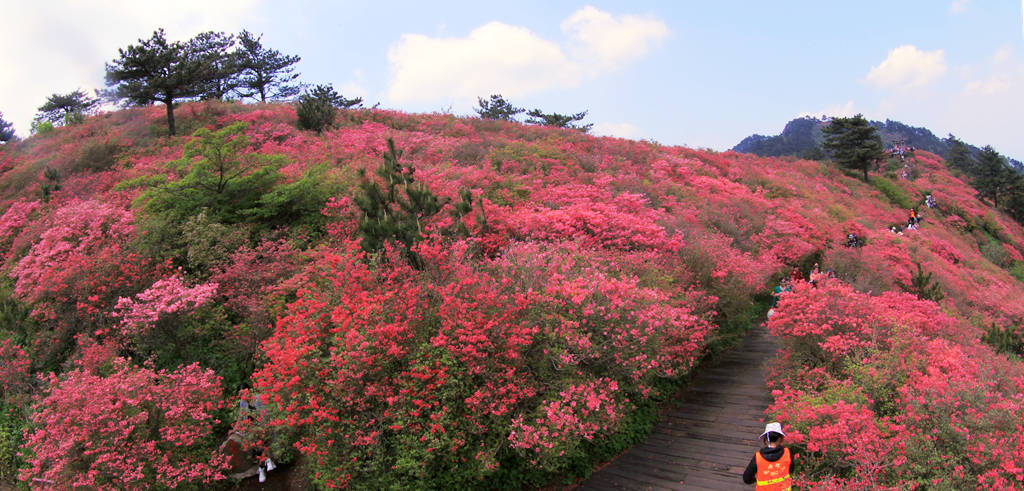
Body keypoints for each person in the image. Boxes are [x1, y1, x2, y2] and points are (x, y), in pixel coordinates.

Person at [743, 422, 793, 489]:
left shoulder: (758, 458)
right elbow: (791, 470)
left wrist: (756, 480)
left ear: (766, 440)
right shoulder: (787, 453)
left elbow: (747, 478)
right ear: (780, 439)